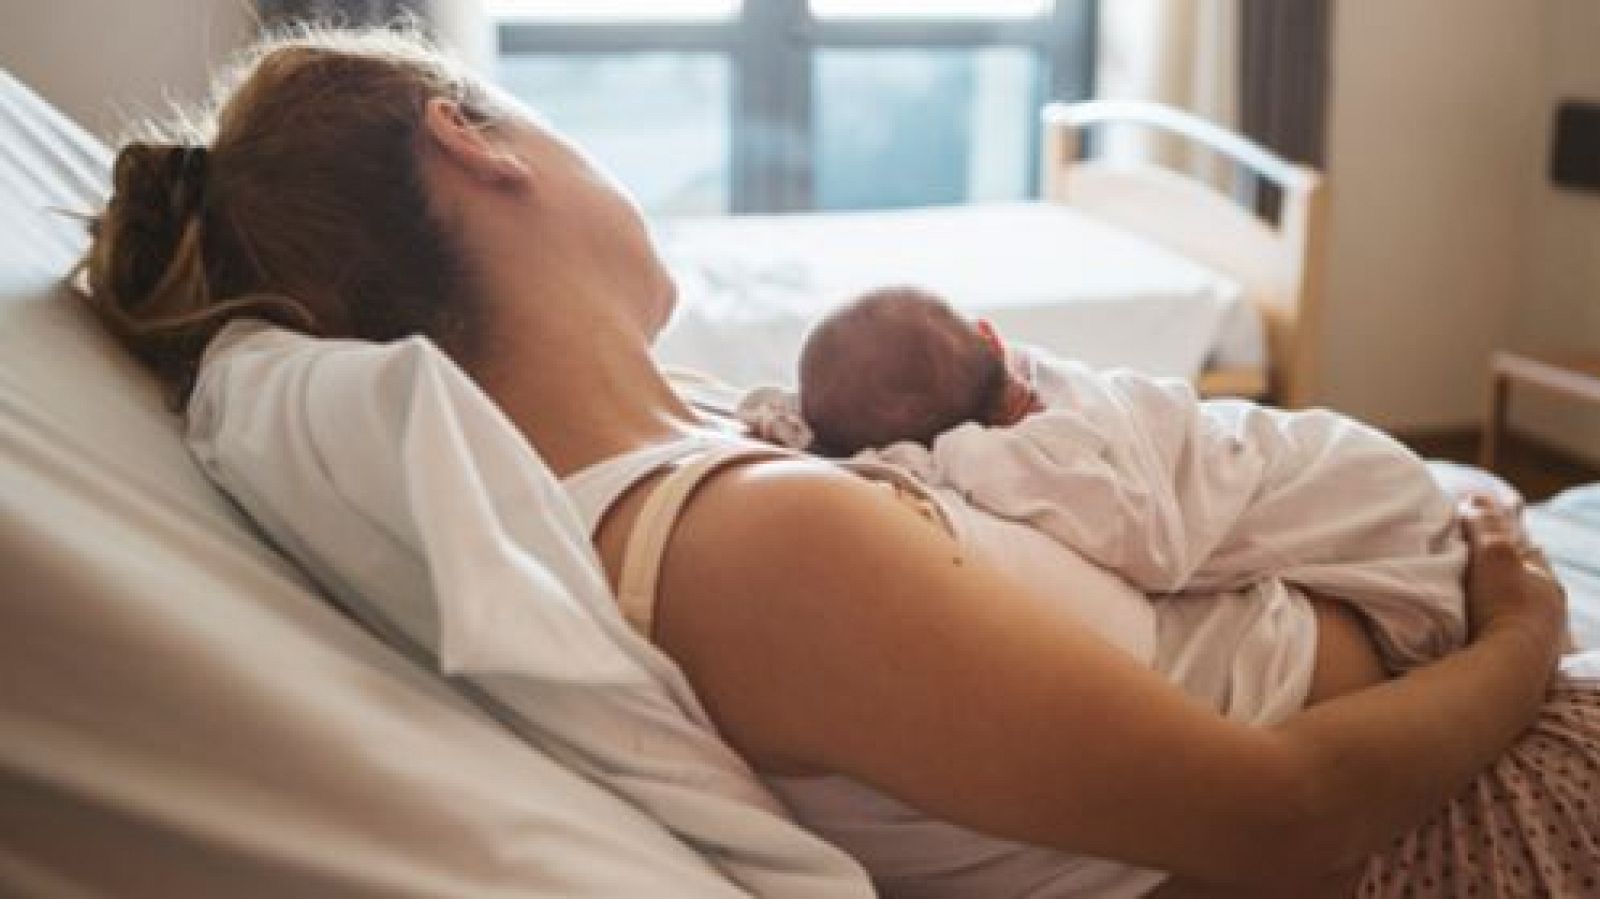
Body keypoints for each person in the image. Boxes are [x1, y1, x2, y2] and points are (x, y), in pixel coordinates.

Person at [81, 25, 1598, 898]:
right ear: (473, 140)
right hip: (1443, 807)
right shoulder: (757, 543)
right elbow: (1282, 816)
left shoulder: (695, 436)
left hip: (1426, 709)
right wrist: (1522, 630)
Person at [752, 284, 1467, 677]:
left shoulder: (1027, 449)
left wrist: (937, 454)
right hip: (1351, 459)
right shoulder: (1006, 386)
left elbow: (1154, 548)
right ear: (991, 336)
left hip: (1355, 489)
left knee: (1416, 610)